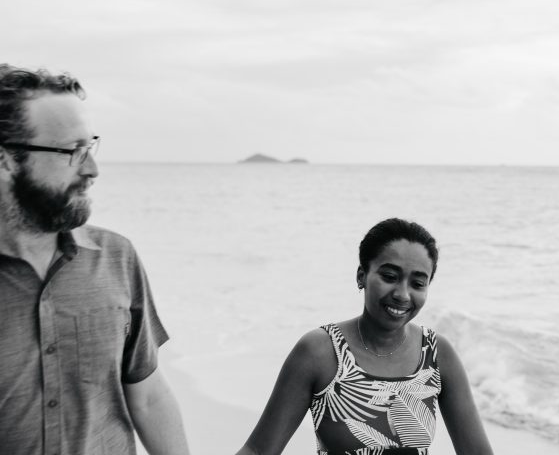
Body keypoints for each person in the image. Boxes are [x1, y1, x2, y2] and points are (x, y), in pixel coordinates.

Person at [0, 64, 190, 455]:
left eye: (90, 147)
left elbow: (148, 395)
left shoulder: (117, 258)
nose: (92, 169)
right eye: (72, 151)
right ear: (6, 161)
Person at [236, 218, 494, 455]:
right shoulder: (319, 352)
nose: (402, 295)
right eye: (390, 277)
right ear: (362, 276)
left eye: (417, 283)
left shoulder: (437, 354)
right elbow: (258, 451)